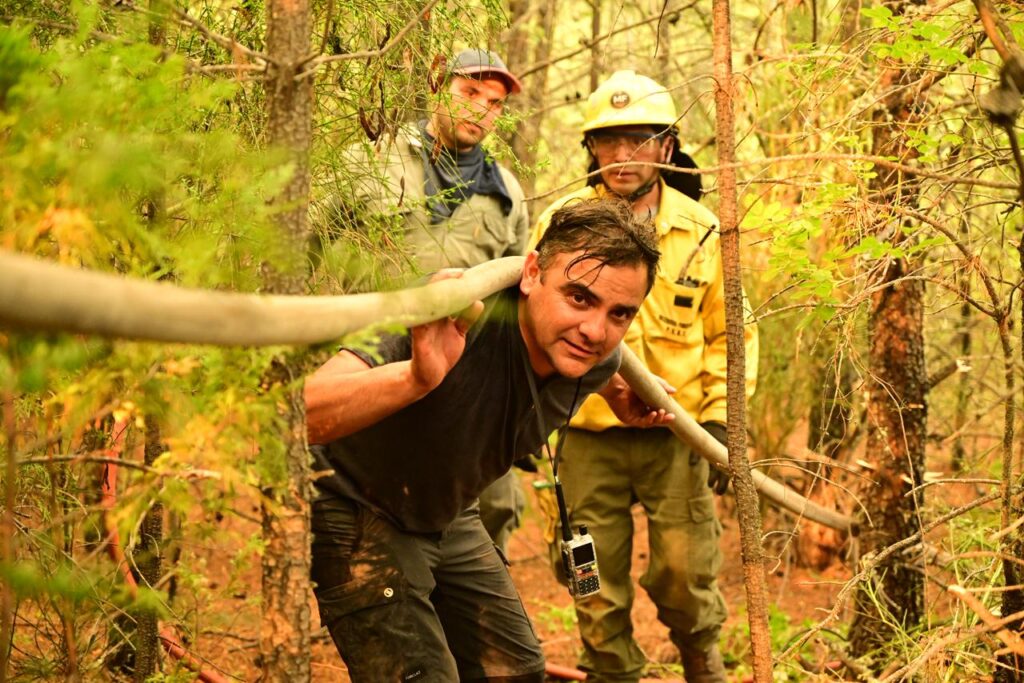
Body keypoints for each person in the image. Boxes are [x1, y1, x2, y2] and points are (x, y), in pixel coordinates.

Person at [304, 199, 671, 682]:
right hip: (355, 502)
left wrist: (618, 393)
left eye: (619, 314)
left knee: (515, 672)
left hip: (448, 511)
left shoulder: (596, 359)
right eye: (578, 298)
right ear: (532, 273)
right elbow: (304, 412)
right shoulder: (453, 314)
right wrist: (415, 379)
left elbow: (592, 356)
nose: (594, 330)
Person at [530, 71, 759, 683]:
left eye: (638, 140)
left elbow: (731, 333)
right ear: (591, 148)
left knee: (685, 572)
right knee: (590, 575)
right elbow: (527, 319)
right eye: (608, 141)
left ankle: (700, 656)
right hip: (580, 431)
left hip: (675, 434)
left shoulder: (703, 229)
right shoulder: (561, 222)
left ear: (665, 147)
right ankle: (609, 669)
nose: (622, 156)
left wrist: (718, 421)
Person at [320, 48, 530, 552]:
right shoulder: (369, 159)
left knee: (497, 504)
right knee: (358, 493)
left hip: (462, 376)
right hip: (370, 361)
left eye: (495, 103)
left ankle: (465, 597)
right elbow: (304, 244)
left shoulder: (509, 194)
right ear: (439, 87)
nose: (481, 109)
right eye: (470, 93)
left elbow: (515, 305)